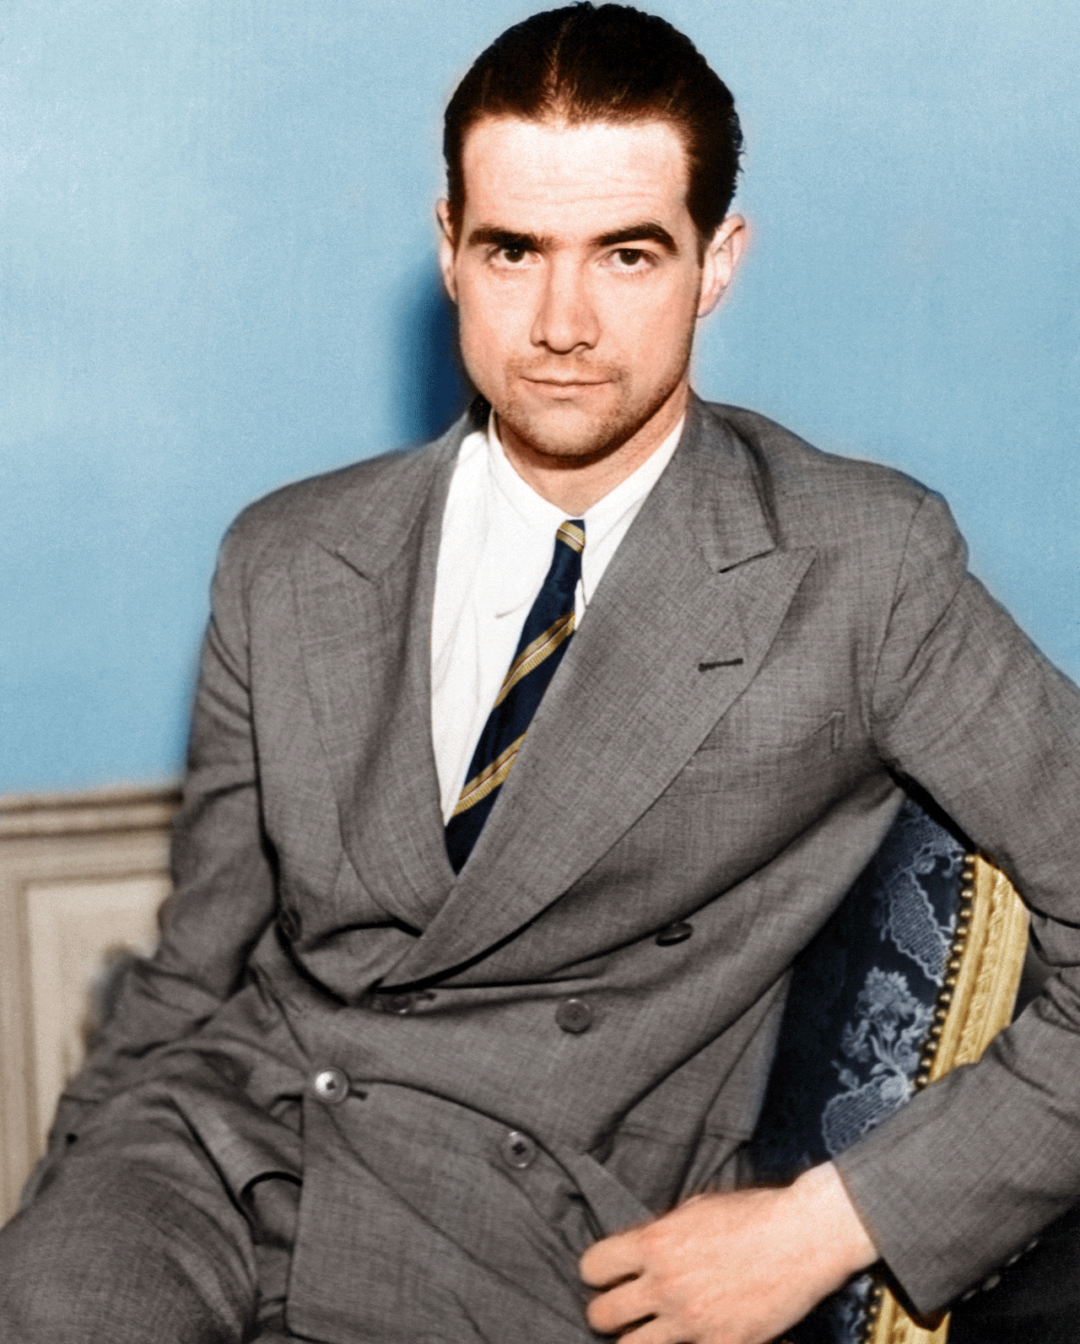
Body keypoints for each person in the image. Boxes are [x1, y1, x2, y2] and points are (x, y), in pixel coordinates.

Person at [2, 4, 1080, 1342]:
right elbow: (192, 972)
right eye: (514, 249)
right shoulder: (284, 557)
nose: (562, 324)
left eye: (627, 255)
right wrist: (66, 1202)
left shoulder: (854, 567)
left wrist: (830, 1224)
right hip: (206, 1159)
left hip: (527, 1249)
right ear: (449, 248)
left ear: (717, 262)